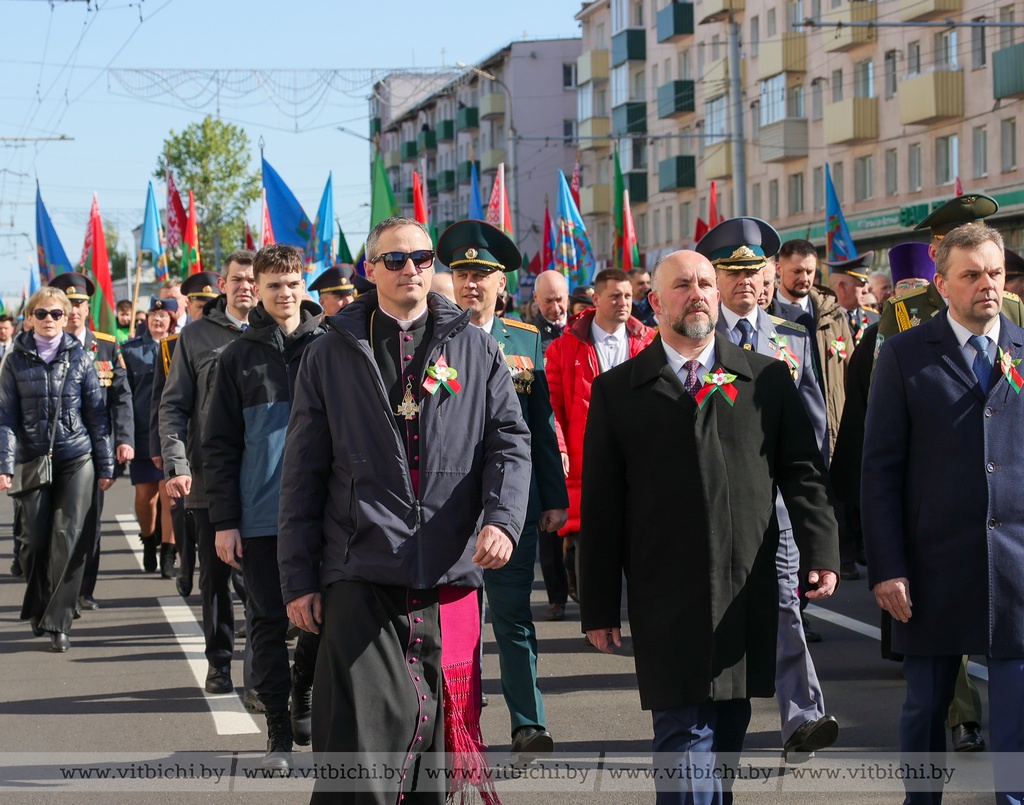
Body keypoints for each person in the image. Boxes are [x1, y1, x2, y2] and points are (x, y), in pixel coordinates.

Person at [277, 216, 531, 804]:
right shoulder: (329, 354)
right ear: (371, 272)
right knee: (361, 746)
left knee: (437, 754)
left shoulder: (475, 344)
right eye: (395, 260)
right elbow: (303, 476)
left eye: (420, 257)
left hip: (449, 570)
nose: (411, 268)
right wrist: (298, 579)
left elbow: (510, 444)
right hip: (359, 569)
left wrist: (502, 518)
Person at [580, 248, 840, 805]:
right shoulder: (617, 391)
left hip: (745, 586)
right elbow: (602, 509)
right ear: (654, 302)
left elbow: (802, 472)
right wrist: (600, 607)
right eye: (682, 285)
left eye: (704, 283)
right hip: (666, 592)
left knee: (726, 734)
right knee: (682, 733)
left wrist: (821, 549)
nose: (697, 293)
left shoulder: (765, 379)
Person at [863, 223, 1024, 805]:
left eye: (996, 273)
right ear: (943, 284)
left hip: (1016, 564)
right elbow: (879, 470)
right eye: (972, 274)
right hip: (930, 564)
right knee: (927, 706)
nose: (988, 285)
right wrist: (886, 566)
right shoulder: (906, 354)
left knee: (1016, 708)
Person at [701, 217, 838, 761]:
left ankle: (803, 716)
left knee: (785, 603)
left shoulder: (790, 338)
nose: (745, 281)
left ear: (768, 273)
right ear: (716, 276)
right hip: (710, 504)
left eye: (753, 269)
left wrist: (813, 512)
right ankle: (709, 714)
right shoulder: (696, 338)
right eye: (731, 271)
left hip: (773, 505)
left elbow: (811, 432)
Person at [444, 220, 569, 757]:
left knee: (514, 617)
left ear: (503, 284)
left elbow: (539, 426)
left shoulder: (525, 341)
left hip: (509, 505)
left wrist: (555, 497)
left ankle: (528, 723)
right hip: (447, 509)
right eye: (462, 273)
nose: (471, 284)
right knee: (459, 623)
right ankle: (460, 724)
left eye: (482, 275)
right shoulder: (435, 336)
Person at [203, 244, 325, 772]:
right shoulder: (237, 357)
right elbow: (219, 446)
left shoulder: (332, 348)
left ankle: (303, 688)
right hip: (260, 518)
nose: (284, 294)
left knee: (327, 620)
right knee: (269, 624)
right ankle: (277, 728)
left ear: (304, 286)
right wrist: (224, 521)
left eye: (293, 284)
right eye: (274, 285)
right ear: (259, 288)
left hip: (327, 515)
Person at [160, 252, 256, 695]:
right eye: (237, 279)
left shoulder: (277, 332)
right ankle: (219, 662)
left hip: (265, 477)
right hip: (208, 476)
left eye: (254, 280)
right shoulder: (195, 337)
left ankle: (260, 676)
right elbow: (174, 406)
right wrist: (177, 465)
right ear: (223, 284)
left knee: (263, 580)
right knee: (215, 577)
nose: (246, 287)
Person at [0, 286, 115, 652]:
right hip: (31, 459)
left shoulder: (80, 357)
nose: (49, 320)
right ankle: (38, 605)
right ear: (29, 317)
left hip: (76, 457)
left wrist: (106, 462)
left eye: (57, 314)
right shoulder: (14, 361)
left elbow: (97, 415)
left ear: (67, 318)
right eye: (42, 314)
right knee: (33, 542)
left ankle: (59, 621)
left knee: (68, 538)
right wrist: (4, 463)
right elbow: (5, 418)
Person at [546, 269, 655, 605]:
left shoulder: (650, 341)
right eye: (615, 296)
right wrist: (560, 449)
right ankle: (596, 620)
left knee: (643, 550)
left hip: (639, 462)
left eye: (627, 296)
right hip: (585, 460)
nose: (624, 303)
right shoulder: (564, 347)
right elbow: (554, 407)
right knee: (592, 548)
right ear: (596, 299)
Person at [50, 272, 133, 612]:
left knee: (89, 523)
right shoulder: (44, 344)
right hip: (53, 450)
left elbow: (121, 398)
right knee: (54, 525)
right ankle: (54, 589)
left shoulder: (108, 345)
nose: (73, 311)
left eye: (79, 304)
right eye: (67, 304)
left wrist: (124, 440)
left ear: (88, 308)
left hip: (94, 448)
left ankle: (84, 590)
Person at [876, 194, 1024, 353]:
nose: (986, 284)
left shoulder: (1011, 306)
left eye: (995, 273)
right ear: (934, 254)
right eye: (958, 245)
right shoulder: (902, 309)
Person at [151, 270, 219, 597]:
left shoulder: (229, 338)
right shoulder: (171, 345)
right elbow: (163, 402)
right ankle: (184, 562)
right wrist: (160, 450)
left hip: (212, 446)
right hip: (182, 444)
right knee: (180, 510)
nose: (204, 308)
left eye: (210, 301)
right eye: (198, 302)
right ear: (187, 306)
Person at [776, 239, 853, 459]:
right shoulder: (765, 313)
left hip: (833, 429)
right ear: (779, 269)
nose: (804, 278)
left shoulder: (832, 313)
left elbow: (851, 369)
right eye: (797, 271)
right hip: (790, 430)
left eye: (810, 271)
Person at [120, 297, 178, 577]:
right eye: (153, 314)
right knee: (146, 496)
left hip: (173, 433)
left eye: (163, 315)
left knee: (171, 496)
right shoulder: (130, 351)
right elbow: (124, 399)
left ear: (172, 320)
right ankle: (148, 538)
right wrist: (126, 437)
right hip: (143, 434)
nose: (157, 319)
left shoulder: (181, 346)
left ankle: (169, 553)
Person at [825, 253, 879, 347]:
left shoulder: (875, 318)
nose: (866, 291)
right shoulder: (824, 321)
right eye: (860, 285)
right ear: (843, 287)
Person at [531, 270, 570, 350]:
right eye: (548, 301)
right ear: (535, 297)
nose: (555, 308)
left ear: (567, 293)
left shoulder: (583, 329)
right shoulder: (529, 336)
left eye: (559, 300)